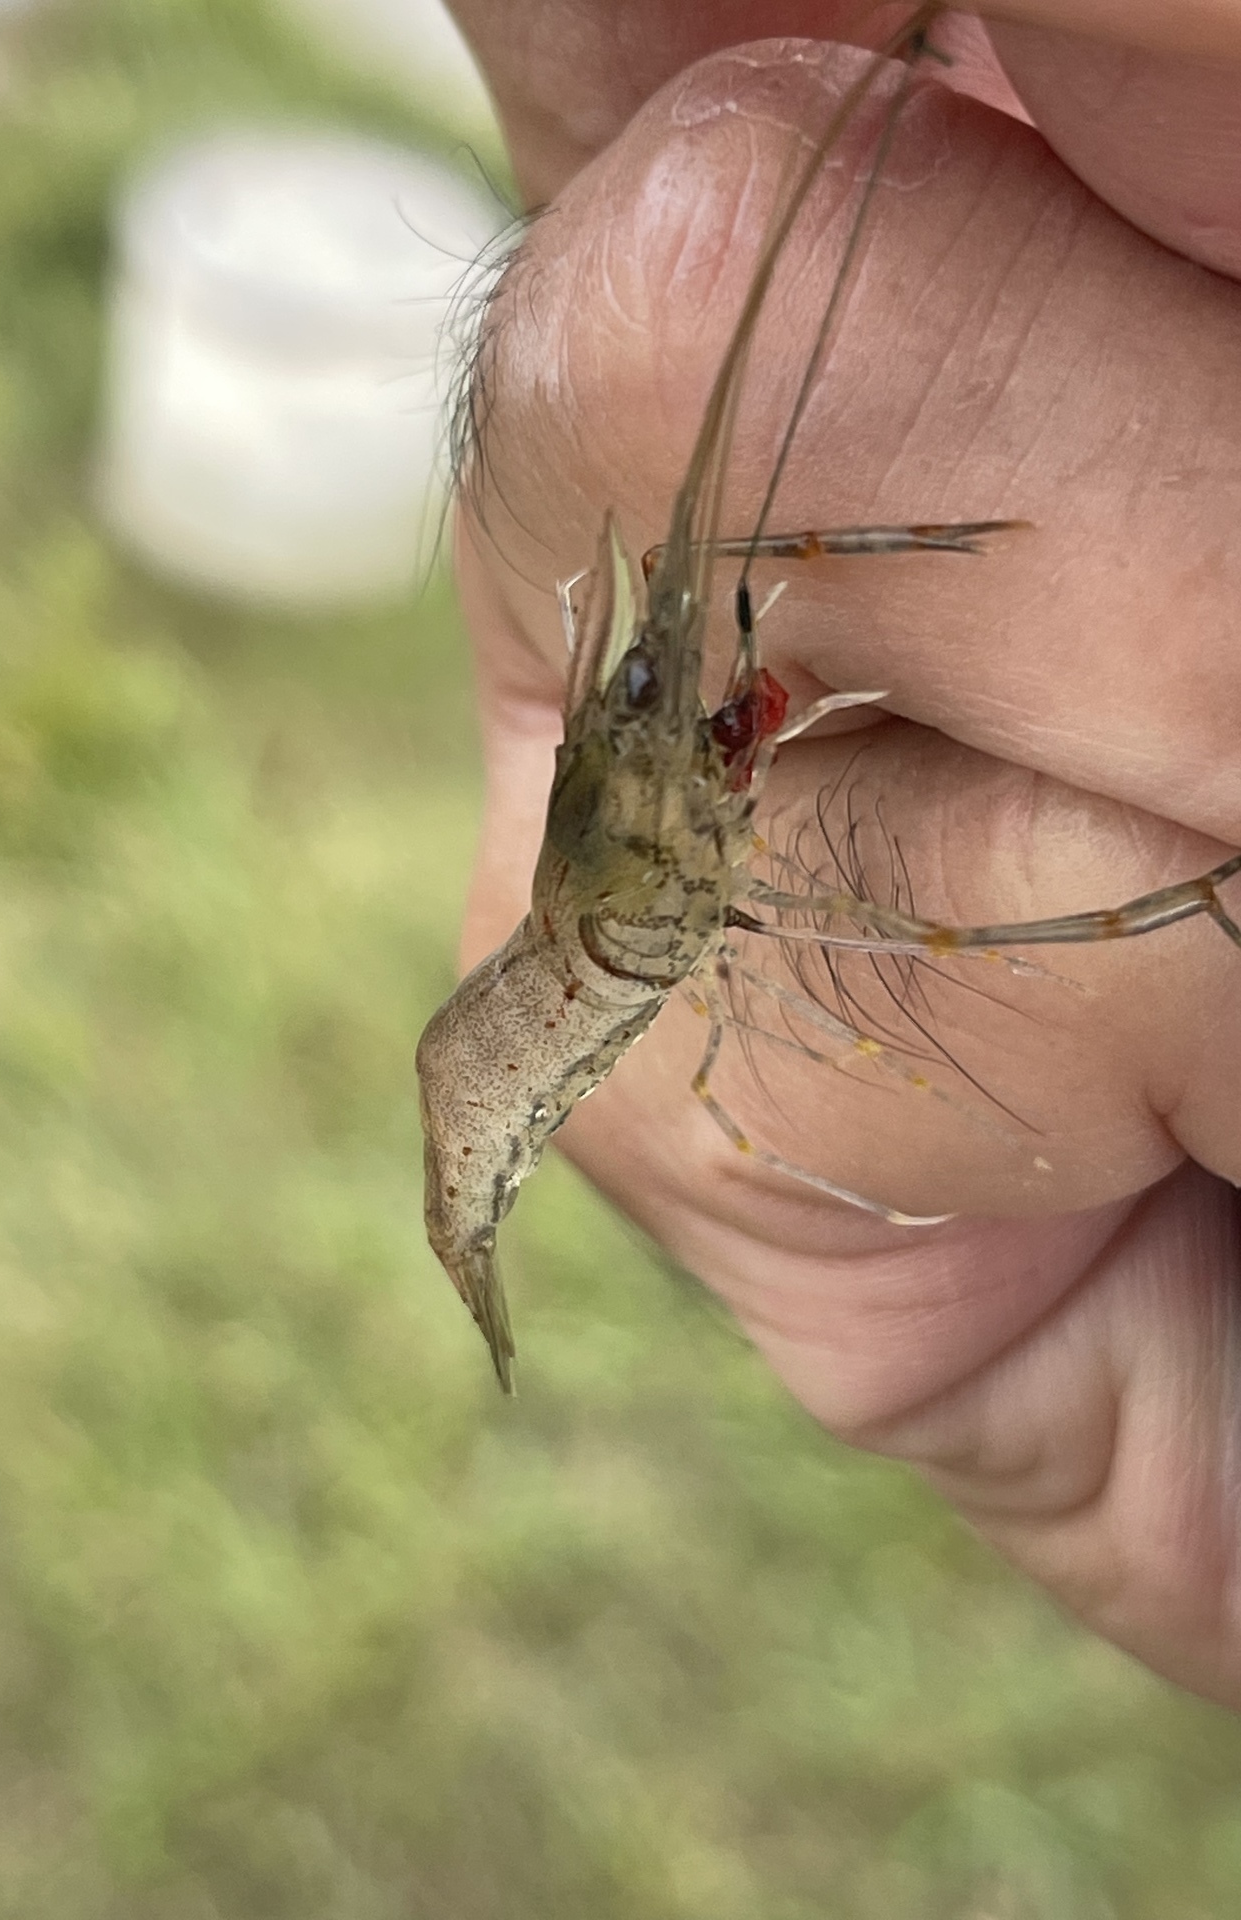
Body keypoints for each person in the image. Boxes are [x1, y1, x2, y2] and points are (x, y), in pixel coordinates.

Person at [440, 0, 1241, 1710]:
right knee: (932, 951)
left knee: (723, 536)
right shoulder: (655, 895)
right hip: (546, 1036)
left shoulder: (672, 774)